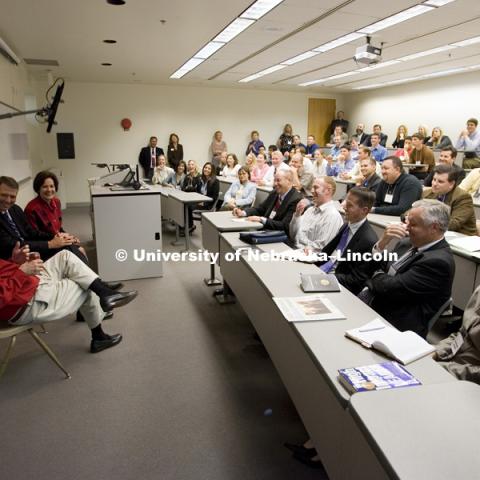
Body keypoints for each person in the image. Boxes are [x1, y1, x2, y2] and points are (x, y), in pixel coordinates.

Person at [1, 246, 138, 353]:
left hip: (28, 284)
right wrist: (21, 273)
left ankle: (104, 293)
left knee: (65, 257)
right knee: (84, 283)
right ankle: (99, 335)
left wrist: (13, 262)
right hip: (28, 303)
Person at [361, 199, 455, 338]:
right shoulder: (406, 243)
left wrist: (376, 275)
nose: (405, 227)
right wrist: (382, 243)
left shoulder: (438, 262)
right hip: (377, 303)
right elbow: (368, 269)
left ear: (434, 227)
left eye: (413, 224)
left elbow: (390, 288)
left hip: (397, 325)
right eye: (406, 221)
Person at [0, 176, 87, 263]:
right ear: (38, 189)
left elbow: (31, 232)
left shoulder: (15, 209)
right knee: (71, 253)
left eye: (12, 196)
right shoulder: (32, 208)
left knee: (73, 249)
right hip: (14, 259)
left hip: (32, 248)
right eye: (4, 195)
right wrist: (50, 244)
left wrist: (58, 237)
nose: (8, 200)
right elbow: (12, 245)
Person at [318, 187, 378, 294]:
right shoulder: (347, 226)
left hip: (338, 286)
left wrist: (326, 277)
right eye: (345, 202)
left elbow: (356, 281)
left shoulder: (369, 240)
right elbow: (328, 254)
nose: (344, 207)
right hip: (323, 272)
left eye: (350, 205)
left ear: (364, 210)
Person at [434, 285, 480, 383]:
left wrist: (447, 368)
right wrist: (436, 352)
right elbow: (462, 334)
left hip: (469, 382)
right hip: (452, 362)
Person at [233, 170, 302, 234]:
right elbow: (260, 209)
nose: (275, 184)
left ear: (289, 181)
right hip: (264, 230)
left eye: (278, 180)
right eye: (274, 180)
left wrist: (262, 220)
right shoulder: (274, 193)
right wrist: (243, 213)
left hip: (278, 236)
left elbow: (285, 226)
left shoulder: (296, 199)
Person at [289, 177, 342, 251]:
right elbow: (293, 235)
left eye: (316, 187)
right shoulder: (310, 210)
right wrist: (297, 215)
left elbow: (322, 247)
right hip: (295, 249)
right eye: (312, 187)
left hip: (309, 257)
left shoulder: (332, 216)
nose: (311, 191)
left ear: (328, 190)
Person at [423, 164, 477, 235]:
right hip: (435, 232)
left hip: (460, 236)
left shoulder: (463, 197)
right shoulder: (428, 193)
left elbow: (454, 224)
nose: (434, 184)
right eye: (434, 179)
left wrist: (424, 222)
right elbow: (413, 209)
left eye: (440, 181)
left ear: (451, 184)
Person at [186, 162, 219, 233]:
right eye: (205, 168)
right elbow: (197, 191)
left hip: (208, 204)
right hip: (199, 201)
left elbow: (214, 197)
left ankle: (190, 226)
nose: (206, 169)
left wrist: (204, 203)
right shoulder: (200, 179)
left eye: (209, 168)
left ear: (212, 171)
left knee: (188, 207)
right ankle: (186, 225)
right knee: (184, 204)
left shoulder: (215, 181)